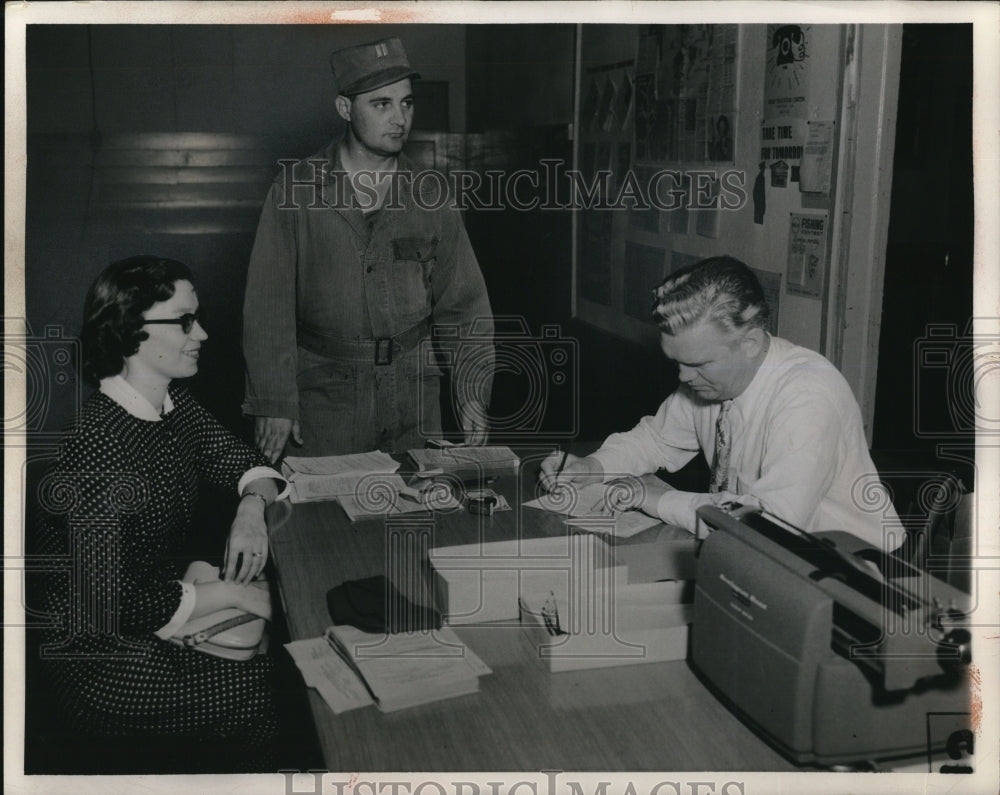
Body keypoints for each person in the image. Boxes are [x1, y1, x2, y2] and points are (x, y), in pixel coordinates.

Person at [35, 256, 287, 770]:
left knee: (276, 662)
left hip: (152, 608)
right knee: (277, 692)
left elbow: (248, 464)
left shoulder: (174, 406)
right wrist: (235, 592)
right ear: (131, 332)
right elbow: (118, 603)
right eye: (185, 320)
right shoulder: (97, 447)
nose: (204, 334)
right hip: (101, 664)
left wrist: (251, 508)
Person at [243, 37, 495, 462]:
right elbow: (268, 307)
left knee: (417, 518)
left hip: (414, 403)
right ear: (345, 109)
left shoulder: (431, 195)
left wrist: (472, 393)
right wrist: (273, 401)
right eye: (382, 104)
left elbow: (464, 305)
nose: (400, 118)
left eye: (407, 103)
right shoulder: (296, 190)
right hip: (326, 405)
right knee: (323, 524)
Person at [539, 256, 898, 550]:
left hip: (851, 575)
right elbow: (655, 440)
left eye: (697, 364)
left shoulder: (808, 396)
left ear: (751, 343)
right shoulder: (711, 381)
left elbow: (770, 527)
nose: (683, 378)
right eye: (676, 362)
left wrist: (656, 498)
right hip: (756, 555)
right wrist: (594, 467)